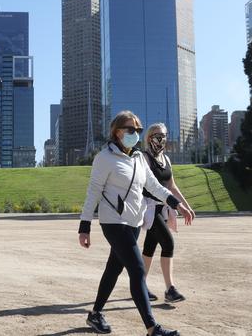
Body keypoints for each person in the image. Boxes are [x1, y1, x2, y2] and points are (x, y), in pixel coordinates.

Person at [78, 111, 193, 336]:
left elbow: (154, 186)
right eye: (130, 130)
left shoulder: (139, 158)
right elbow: (93, 192)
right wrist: (84, 226)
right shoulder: (105, 158)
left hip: (133, 222)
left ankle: (95, 314)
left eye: (138, 131)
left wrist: (177, 204)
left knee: (114, 268)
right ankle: (152, 328)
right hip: (113, 221)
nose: (135, 134)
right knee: (137, 269)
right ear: (117, 131)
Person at [141, 123, 196, 304]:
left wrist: (185, 206)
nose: (161, 138)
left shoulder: (166, 159)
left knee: (149, 248)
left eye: (164, 135)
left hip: (164, 207)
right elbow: (151, 187)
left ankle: (139, 285)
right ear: (149, 138)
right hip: (150, 209)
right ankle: (170, 289)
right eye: (157, 135)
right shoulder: (144, 158)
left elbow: (171, 186)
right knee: (168, 244)